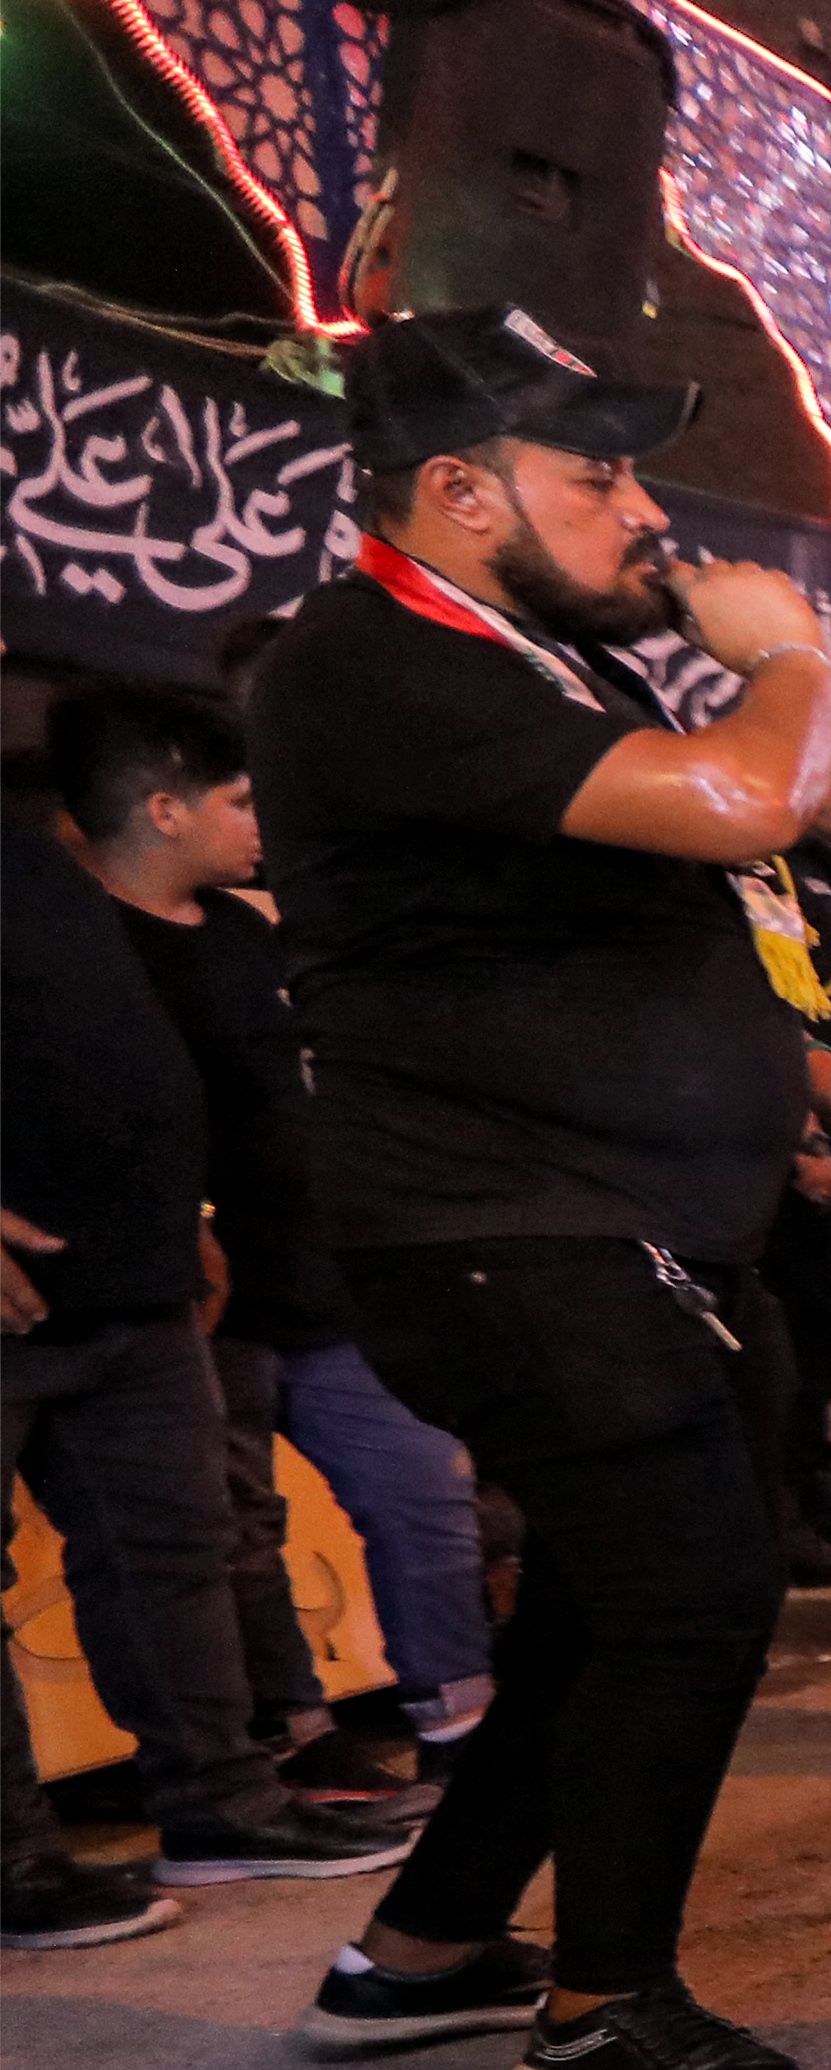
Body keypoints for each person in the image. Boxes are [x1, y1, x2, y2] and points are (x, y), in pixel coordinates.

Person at [244, 307, 831, 2070]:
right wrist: (796, 653)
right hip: (509, 1233)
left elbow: (628, 924)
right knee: (692, 1596)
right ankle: (607, 2007)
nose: (646, 509)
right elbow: (745, 803)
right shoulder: (370, 660)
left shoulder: (553, 665)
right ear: (461, 493)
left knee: (598, 1603)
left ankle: (424, 1953)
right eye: (599, 471)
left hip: (607, 1226)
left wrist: (816, 1078)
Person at [9, 714, 424, 1943]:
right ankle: (15, 1871)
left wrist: (175, 1204)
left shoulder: (33, 840)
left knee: (175, 1555)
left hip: (132, 1279)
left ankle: (222, 1804)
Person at [54, 685, 480, 1804]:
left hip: (320, 1282)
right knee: (232, 1532)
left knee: (421, 1484)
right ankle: (291, 1737)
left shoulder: (249, 933)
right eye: (241, 800)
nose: (263, 824)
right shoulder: (82, 943)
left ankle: (461, 1719)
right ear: (164, 810)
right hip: (196, 1300)